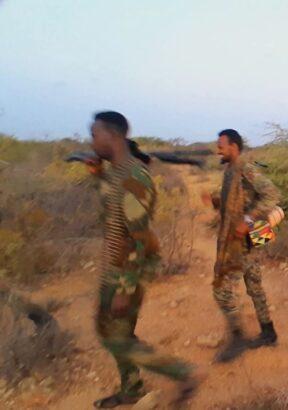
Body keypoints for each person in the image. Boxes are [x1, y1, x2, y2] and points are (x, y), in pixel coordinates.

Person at [85, 111, 196, 408]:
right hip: (115, 266)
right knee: (113, 331)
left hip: (126, 270)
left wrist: (126, 287)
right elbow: (112, 211)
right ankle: (131, 389)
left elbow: (139, 238)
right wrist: (98, 177)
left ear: (113, 136)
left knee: (116, 337)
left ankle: (184, 373)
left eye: (94, 135)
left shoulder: (134, 177)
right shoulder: (116, 173)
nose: (91, 141)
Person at [201, 129, 281, 362]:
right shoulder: (230, 170)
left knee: (222, 291)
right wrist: (215, 201)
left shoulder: (246, 168)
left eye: (221, 146)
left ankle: (238, 340)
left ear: (234, 147)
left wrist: (248, 220)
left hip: (243, 240)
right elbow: (234, 202)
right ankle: (269, 332)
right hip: (243, 239)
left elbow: (272, 194)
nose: (218, 150)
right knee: (254, 286)